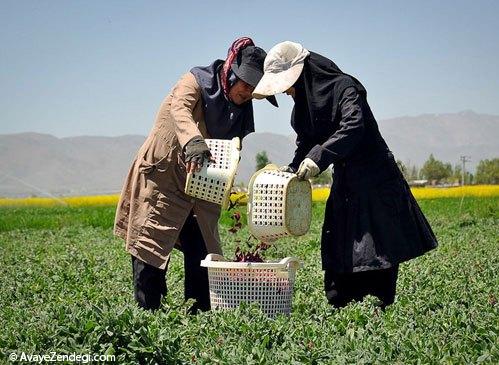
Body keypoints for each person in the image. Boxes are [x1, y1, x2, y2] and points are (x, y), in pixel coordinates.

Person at [253, 41, 437, 309]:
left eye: (289, 86)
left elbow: (353, 126)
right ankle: (344, 308)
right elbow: (306, 141)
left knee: (375, 249)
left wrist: (319, 158)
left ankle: (376, 310)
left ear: (304, 74)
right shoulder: (305, 105)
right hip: (347, 180)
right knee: (340, 244)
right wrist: (293, 168)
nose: (288, 92)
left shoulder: (344, 88)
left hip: (375, 178)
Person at [114, 37, 278, 312]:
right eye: (245, 84)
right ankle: (149, 314)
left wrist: (229, 187)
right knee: (151, 246)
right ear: (231, 73)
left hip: (201, 183)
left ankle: (199, 316)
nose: (248, 92)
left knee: (203, 251)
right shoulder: (195, 81)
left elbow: (229, 150)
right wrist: (193, 141)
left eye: (254, 88)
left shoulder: (238, 110)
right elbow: (180, 111)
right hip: (163, 177)